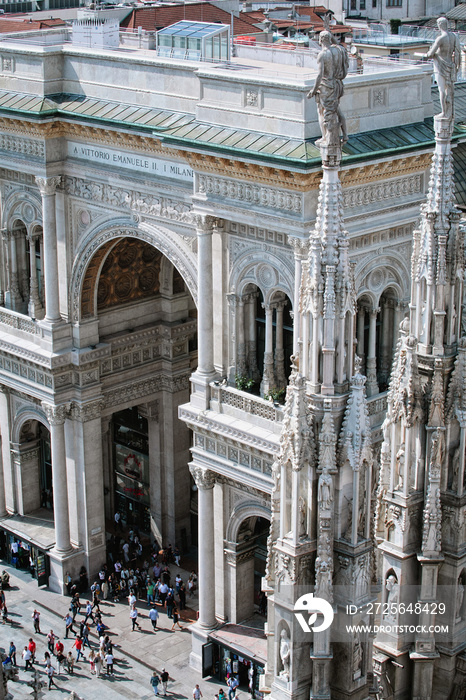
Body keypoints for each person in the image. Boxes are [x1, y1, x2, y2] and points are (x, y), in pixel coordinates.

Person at [307, 29, 348, 148]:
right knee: (336, 110)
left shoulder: (323, 54)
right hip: (337, 85)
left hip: (326, 86)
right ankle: (345, 134)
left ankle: (327, 138)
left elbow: (320, 75)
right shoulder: (339, 51)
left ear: (320, 40)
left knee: (323, 112)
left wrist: (313, 90)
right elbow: (338, 45)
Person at [424, 17, 461, 121]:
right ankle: (449, 111)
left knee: (441, 89)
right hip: (450, 65)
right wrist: (457, 67)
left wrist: (426, 54)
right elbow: (457, 53)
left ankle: (444, 112)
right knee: (449, 89)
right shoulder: (454, 37)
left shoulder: (440, 39)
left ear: (439, 25)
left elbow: (430, 54)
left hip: (440, 66)